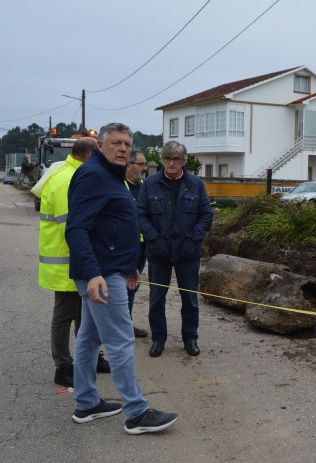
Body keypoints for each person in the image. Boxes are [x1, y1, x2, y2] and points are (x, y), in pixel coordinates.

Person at [66, 122, 177, 434]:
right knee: (120, 340)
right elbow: (76, 228)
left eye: (127, 144)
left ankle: (86, 402)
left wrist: (130, 266)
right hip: (100, 273)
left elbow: (113, 227)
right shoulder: (94, 175)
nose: (124, 149)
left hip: (110, 269)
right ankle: (137, 413)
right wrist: (92, 274)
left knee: (89, 337)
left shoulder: (112, 176)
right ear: (100, 146)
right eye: (116, 143)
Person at [38, 137, 110, 387]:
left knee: (85, 315)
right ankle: (63, 366)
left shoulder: (76, 175)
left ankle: (89, 358)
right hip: (67, 263)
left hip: (79, 261)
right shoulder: (67, 179)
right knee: (65, 315)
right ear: (90, 155)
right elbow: (71, 228)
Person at [137, 141, 213, 358]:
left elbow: (206, 215)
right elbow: (141, 214)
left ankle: (190, 338)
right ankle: (158, 339)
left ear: (184, 160)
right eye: (168, 158)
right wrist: (154, 238)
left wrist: (193, 239)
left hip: (188, 253)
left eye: (176, 158)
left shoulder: (196, 184)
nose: (172, 162)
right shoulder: (150, 183)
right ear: (162, 160)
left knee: (189, 299)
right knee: (156, 298)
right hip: (159, 252)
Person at [125, 150, 149, 338]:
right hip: (125, 246)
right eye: (141, 164)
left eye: (145, 164)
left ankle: (127, 323)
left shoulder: (145, 187)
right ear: (128, 165)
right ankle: (119, 326)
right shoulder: (118, 186)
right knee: (121, 286)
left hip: (143, 245)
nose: (145, 168)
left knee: (133, 286)